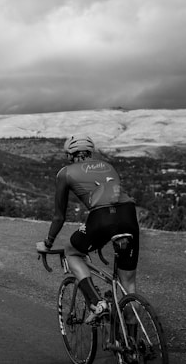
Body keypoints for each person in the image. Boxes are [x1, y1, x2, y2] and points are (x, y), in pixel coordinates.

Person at [36, 135, 140, 324]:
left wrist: (48, 242)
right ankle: (133, 347)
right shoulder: (108, 166)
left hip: (101, 217)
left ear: (70, 155)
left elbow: (59, 216)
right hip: (128, 215)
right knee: (128, 284)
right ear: (90, 152)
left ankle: (97, 302)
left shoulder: (65, 173)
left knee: (72, 252)